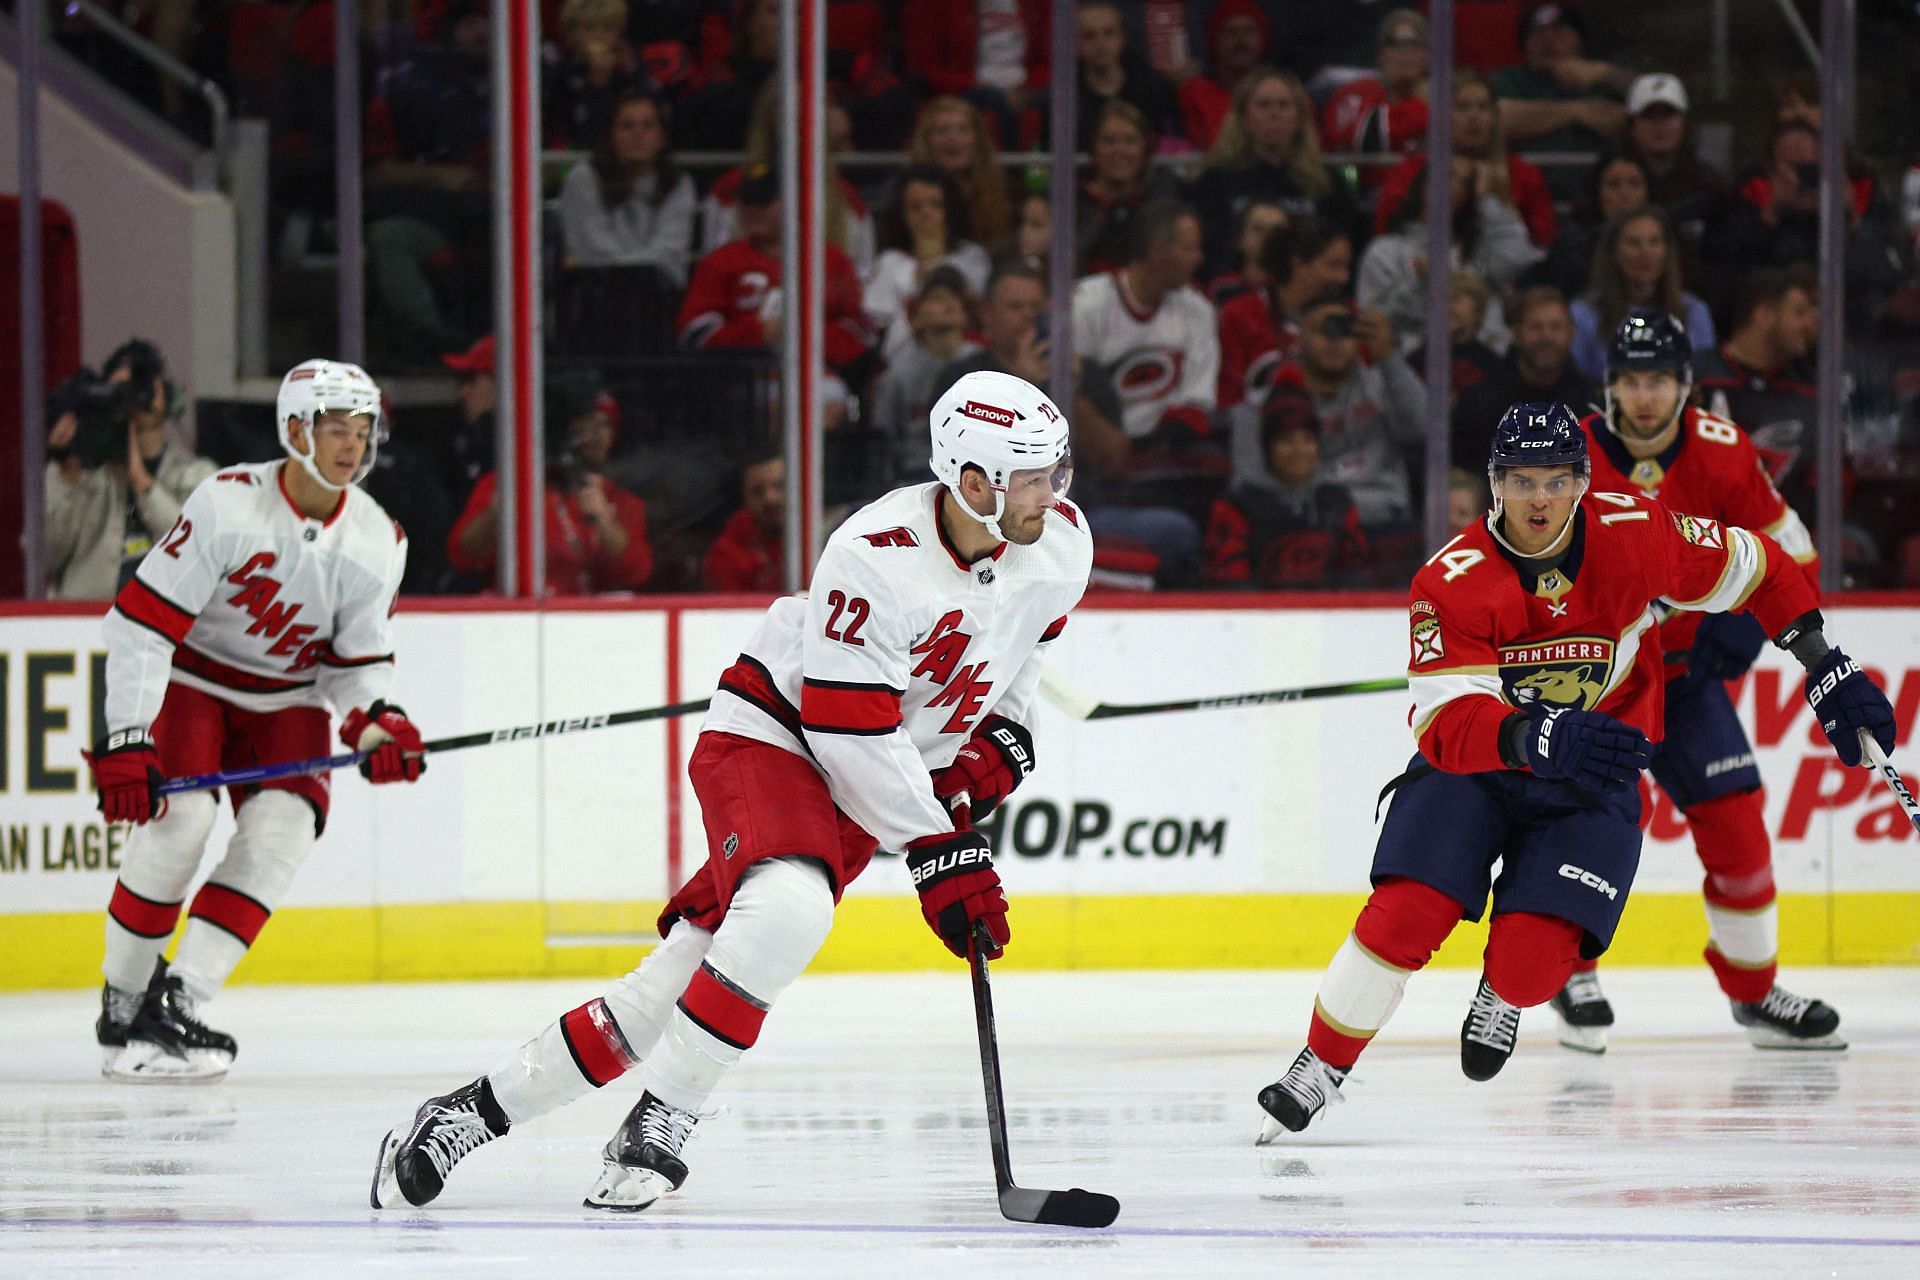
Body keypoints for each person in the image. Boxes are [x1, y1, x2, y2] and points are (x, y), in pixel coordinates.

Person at [370, 369, 1090, 1213]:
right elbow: (844, 727)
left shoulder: (1061, 543)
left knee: (670, 990)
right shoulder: (875, 554)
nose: (1058, 492)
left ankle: (464, 1115)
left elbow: (1018, 663)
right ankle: (666, 1115)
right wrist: (937, 843)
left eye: (1057, 470)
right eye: (1038, 476)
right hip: (779, 738)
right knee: (790, 908)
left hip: (877, 776)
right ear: (975, 483)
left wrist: (1001, 748)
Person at [1254, 401, 1896, 1137]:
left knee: (1533, 965)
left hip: (1594, 775)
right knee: (1406, 914)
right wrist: (1536, 738)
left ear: (1583, 481)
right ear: (1494, 484)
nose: (1538, 499)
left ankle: (1502, 991)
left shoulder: (1639, 534)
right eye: (1521, 480)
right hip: (1479, 771)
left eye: (1556, 480)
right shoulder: (1452, 580)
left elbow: (1760, 567)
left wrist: (1827, 667)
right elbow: (1444, 724)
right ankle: (1320, 1064)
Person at [89, 359, 424, 1082]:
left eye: (363, 431)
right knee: (179, 825)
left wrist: (376, 724)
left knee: (284, 831)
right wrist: (127, 738)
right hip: (195, 681)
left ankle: (177, 1000)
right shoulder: (226, 504)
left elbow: (356, 662)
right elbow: (143, 625)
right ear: (295, 428)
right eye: (337, 428)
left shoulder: (378, 540)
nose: (352, 446)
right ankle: (123, 999)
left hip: (288, 698)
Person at [1549, 310, 1838, 1053]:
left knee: (1738, 826)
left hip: (1682, 678)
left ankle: (1754, 991)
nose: (1643, 397)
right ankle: (1570, 971)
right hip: (1600, 687)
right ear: (1608, 386)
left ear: (1686, 386)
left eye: (1658, 380)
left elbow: (1792, 555)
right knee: (1598, 826)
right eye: (1629, 380)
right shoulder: (1569, 455)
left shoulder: (1722, 451)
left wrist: (1742, 624)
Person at [45, 338, 217, 600]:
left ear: (166, 395)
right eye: (120, 389)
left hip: (168, 625)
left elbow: (202, 556)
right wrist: (67, 476)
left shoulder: (198, 476)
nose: (133, 399)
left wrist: (140, 480)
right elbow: (43, 557)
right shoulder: (79, 472)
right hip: (84, 628)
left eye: (142, 385)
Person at [447, 378, 654, 594]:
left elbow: (638, 573)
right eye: (586, 424)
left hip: (587, 622)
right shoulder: (508, 485)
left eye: (605, 425)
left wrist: (603, 521)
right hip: (517, 619)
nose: (595, 435)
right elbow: (461, 557)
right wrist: (494, 514)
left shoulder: (621, 500)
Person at [677, 164, 874, 378]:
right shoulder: (719, 262)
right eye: (747, 202)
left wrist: (802, 335)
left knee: (830, 400)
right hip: (739, 379)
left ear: (793, 203)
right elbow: (694, 333)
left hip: (817, 375)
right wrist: (759, 333)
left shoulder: (831, 259)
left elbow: (859, 331)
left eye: (763, 202)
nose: (753, 210)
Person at [1250, 292, 1423, 532]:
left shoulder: (1382, 384)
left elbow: (1423, 430)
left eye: (1344, 330)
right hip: (1312, 522)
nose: (1334, 340)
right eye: (1323, 330)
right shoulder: (1275, 401)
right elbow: (1252, 483)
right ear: (1298, 339)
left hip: (1385, 518)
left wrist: (1388, 356)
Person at [1188, 68, 1361, 280]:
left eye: (1284, 105)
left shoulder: (1327, 182)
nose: (1274, 113)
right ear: (1244, 119)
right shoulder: (1214, 180)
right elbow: (1208, 251)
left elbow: (1340, 246)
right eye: (1263, 105)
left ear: (1299, 119)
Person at [1356, 156, 1540, 352]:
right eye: (1448, 175)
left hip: (1483, 364)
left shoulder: (1478, 250)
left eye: (1465, 182)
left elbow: (1520, 256)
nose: (1454, 186)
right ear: (1423, 183)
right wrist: (1418, 284)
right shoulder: (1384, 251)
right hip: (1415, 367)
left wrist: (1486, 199)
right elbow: (1374, 323)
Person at [1202, 381, 1369, 589]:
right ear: (1268, 448)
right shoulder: (1237, 506)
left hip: (1327, 617)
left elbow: (1354, 578)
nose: (1299, 450)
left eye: (1308, 439)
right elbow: (1230, 584)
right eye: (1287, 440)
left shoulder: (1336, 502)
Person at [1375, 70, 1557, 250]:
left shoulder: (1522, 172)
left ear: (1494, 116)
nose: (1474, 117)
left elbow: (1542, 242)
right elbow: (1388, 230)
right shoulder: (1413, 170)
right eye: (1462, 107)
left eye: (1483, 107)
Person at [1490, 2, 1634, 201]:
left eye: (1559, 31)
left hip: (1599, 199)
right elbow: (1494, 118)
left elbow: (1652, 98)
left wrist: (1606, 73)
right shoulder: (1509, 80)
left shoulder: (1603, 83)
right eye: (1538, 33)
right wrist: (1578, 111)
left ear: (1580, 40)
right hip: (1525, 196)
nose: (1548, 41)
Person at [556, 90, 697, 283]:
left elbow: (669, 251)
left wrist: (638, 272)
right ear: (611, 135)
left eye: (648, 126)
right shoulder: (584, 178)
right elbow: (592, 249)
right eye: (627, 126)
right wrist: (633, 272)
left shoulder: (680, 183)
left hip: (659, 292)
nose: (637, 134)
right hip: (597, 292)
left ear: (662, 138)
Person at [1216, 214, 1352, 411]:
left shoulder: (1348, 315)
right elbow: (1228, 401)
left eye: (1346, 267)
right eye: (1334, 266)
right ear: (1297, 265)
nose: (1343, 278)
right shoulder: (1239, 315)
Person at [1454, 286, 1597, 468]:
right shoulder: (1479, 402)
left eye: (1556, 327)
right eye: (1536, 327)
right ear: (1516, 333)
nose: (1547, 337)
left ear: (1571, 334)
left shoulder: (1592, 404)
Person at [1569, 205, 1714, 382]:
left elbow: (1706, 380)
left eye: (1654, 242)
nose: (1645, 253)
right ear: (1613, 253)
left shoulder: (1694, 311)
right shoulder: (1584, 315)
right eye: (1633, 243)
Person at [1619, 73, 1733, 295]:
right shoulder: (1611, 181)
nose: (1660, 125)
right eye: (1649, 116)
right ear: (1631, 124)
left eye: (1669, 115)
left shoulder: (1710, 188)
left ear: (1684, 122)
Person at [869, 269, 983, 490]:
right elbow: (882, 441)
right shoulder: (899, 374)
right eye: (937, 299)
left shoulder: (984, 362)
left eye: (955, 298)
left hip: (979, 469)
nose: (949, 304)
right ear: (916, 317)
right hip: (918, 475)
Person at [862, 167, 991, 362]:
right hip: (904, 359)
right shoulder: (890, 262)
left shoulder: (972, 257)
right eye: (915, 207)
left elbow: (984, 316)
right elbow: (877, 327)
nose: (926, 214)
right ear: (902, 214)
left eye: (936, 205)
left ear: (950, 210)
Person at [1521, 152, 1652, 302]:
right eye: (1614, 184)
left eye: (1634, 184)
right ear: (1597, 191)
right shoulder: (1572, 245)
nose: (1625, 193)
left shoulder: (1667, 238)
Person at [1318, 8, 1429, 180]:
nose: (1407, 54)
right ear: (1381, 53)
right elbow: (1366, 140)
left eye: (1415, 45)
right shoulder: (1355, 93)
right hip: (1358, 192)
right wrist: (1421, 107)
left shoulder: (1446, 96)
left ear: (1427, 55)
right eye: (1398, 45)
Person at [1077, 100, 1183, 275]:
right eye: (1109, 141)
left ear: (1145, 148)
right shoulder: (1073, 199)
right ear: (1093, 148)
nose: (1120, 150)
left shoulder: (1159, 198)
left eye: (1130, 141)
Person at [1068, 0, 1181, 149]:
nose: (1100, 44)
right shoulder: (1064, 97)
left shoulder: (1155, 90)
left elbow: (1172, 144)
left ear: (1122, 38)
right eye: (1089, 36)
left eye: (1109, 33)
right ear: (1074, 42)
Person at [906, 96, 1015, 249]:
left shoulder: (1003, 189)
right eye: (943, 131)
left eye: (963, 130)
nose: (953, 138)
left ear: (978, 139)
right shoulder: (906, 190)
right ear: (927, 140)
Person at [1175, 0, 1271, 150]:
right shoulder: (1192, 93)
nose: (1241, 41)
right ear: (1214, 39)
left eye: (1249, 31)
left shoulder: (1282, 94)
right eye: (1231, 32)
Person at [702, 453, 785, 593]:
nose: (770, 499)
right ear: (744, 497)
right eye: (757, 491)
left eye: (780, 486)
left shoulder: (825, 534)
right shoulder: (726, 555)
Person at [1205, 198, 1288, 307]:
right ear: (1240, 237)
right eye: (1258, 229)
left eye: (1276, 232)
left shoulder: (1295, 292)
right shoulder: (1220, 289)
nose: (1267, 238)